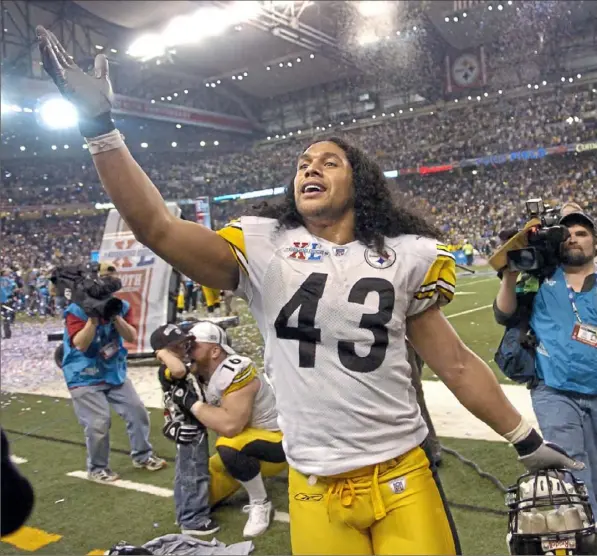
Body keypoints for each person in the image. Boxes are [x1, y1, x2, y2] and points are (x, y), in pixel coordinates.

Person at [37, 30, 583, 555]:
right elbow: (155, 226)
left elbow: (457, 365)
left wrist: (524, 439)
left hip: (400, 470)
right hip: (313, 479)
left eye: (328, 161)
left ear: (359, 181)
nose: (309, 169)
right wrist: (100, 128)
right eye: (302, 164)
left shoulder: (407, 253)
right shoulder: (263, 244)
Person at [495, 209, 597, 512]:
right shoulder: (540, 278)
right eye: (567, 235)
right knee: (574, 472)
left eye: (582, 233)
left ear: (595, 241)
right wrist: (509, 273)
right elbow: (505, 313)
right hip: (555, 390)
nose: (574, 239)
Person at [165, 321, 286, 538]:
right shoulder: (194, 371)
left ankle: (261, 503)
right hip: (244, 440)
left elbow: (230, 426)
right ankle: (243, 478)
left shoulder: (236, 368)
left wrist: (192, 402)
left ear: (215, 350)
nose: (186, 348)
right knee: (197, 497)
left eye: (192, 344)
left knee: (229, 445)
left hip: (276, 441)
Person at [61, 263, 166, 482]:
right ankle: (97, 468)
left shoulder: (121, 306)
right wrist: (92, 319)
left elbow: (130, 336)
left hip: (113, 371)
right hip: (83, 374)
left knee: (137, 411)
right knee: (98, 422)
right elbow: (80, 344)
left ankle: (143, 455)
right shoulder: (76, 310)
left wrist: (115, 316)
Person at [150, 324, 219, 537]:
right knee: (194, 474)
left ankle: (185, 513)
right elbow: (179, 371)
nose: (183, 348)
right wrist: (162, 353)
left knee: (187, 472)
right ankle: (192, 520)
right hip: (188, 428)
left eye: (184, 343)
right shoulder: (168, 369)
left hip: (191, 426)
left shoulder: (181, 365)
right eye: (177, 346)